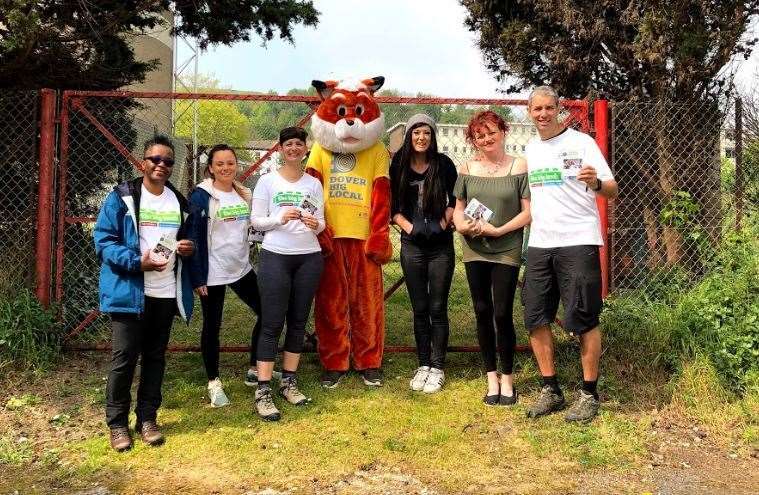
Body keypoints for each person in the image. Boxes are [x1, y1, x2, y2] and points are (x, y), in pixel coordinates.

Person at [522, 86, 618, 422]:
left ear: (559, 110)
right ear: (529, 112)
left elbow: (612, 189)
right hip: (540, 243)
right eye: (537, 109)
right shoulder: (531, 149)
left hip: (578, 241)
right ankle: (551, 390)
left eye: (550, 108)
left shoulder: (582, 143)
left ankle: (589, 394)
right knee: (535, 316)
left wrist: (595, 183)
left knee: (583, 319)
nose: (544, 114)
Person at [94, 135, 195, 452]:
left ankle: (147, 418)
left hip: (165, 293)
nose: (161, 165)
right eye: (155, 159)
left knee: (155, 358)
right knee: (124, 360)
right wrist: (138, 262)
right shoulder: (122, 197)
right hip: (129, 293)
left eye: (168, 161)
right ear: (143, 161)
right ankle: (117, 425)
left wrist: (188, 248)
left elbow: (185, 241)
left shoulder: (179, 202)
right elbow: (104, 242)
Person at [452, 110, 531, 406]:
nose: (486, 139)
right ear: (473, 140)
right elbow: (458, 208)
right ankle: (491, 377)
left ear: (503, 132)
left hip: (507, 247)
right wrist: (461, 224)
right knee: (482, 310)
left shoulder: (518, 166)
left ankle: (508, 377)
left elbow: (528, 211)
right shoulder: (466, 168)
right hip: (474, 248)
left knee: (502, 312)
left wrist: (499, 230)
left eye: (491, 133)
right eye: (479, 135)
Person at [250, 127, 325, 421]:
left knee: (297, 322)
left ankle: (289, 382)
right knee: (271, 323)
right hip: (276, 256)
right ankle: (263, 389)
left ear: (305, 148)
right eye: (288, 144)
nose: (294, 148)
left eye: (298, 143)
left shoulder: (313, 184)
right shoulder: (267, 181)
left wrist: (312, 223)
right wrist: (279, 217)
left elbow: (321, 224)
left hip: (308, 257)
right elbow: (256, 220)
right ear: (280, 149)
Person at [187, 144, 264, 408]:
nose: (225, 168)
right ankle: (214, 382)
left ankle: (255, 367)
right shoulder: (201, 196)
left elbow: (251, 229)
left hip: (241, 268)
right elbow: (193, 236)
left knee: (267, 313)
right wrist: (197, 277)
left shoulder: (243, 193)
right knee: (212, 326)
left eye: (230, 163)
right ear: (210, 167)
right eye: (219, 164)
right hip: (213, 272)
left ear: (236, 165)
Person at [390, 114, 457, 393]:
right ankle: (424, 364)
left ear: (432, 137)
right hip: (413, 246)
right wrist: (408, 227)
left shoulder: (443, 164)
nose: (421, 138)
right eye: (416, 132)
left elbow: (457, 199)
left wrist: (443, 223)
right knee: (419, 308)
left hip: (440, 246)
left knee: (437, 308)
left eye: (426, 133)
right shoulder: (399, 164)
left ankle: (438, 366)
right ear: (409, 136)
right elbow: (391, 205)